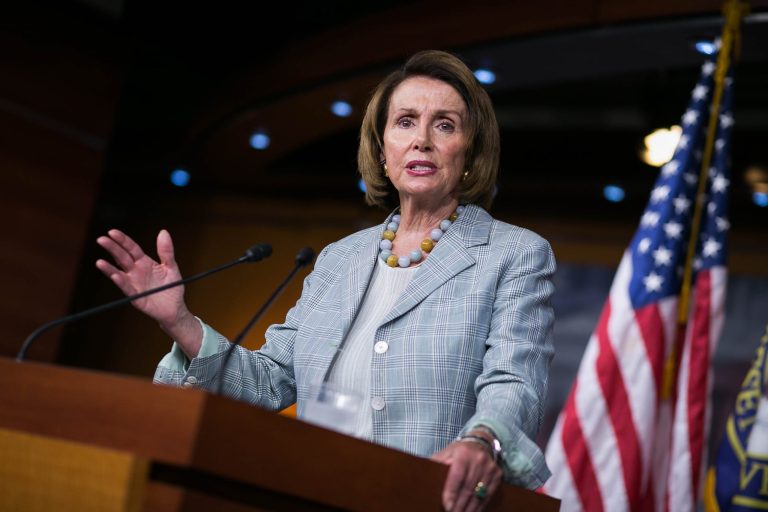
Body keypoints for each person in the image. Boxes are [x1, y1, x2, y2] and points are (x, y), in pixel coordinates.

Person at [96, 49, 555, 511]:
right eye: (405, 122)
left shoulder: (512, 254)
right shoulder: (341, 259)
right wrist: (180, 321)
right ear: (382, 149)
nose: (422, 141)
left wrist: (482, 441)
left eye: (445, 125)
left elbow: (514, 380)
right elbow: (271, 380)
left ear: (471, 153)